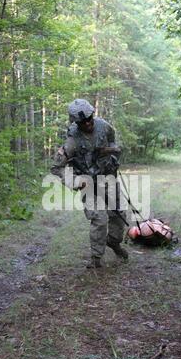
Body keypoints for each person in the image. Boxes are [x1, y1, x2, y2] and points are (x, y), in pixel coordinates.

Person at [51, 99, 128, 269]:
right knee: (99, 219)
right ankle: (96, 258)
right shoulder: (72, 141)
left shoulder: (103, 126)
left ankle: (114, 242)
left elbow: (113, 140)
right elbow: (56, 168)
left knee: (119, 214)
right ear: (76, 123)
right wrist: (75, 182)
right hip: (88, 184)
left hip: (107, 177)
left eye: (90, 118)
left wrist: (112, 154)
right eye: (83, 122)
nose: (88, 123)